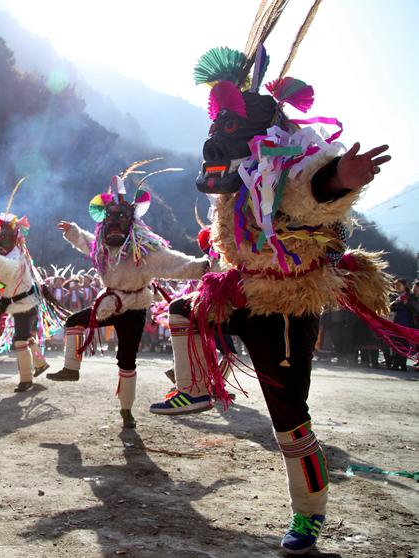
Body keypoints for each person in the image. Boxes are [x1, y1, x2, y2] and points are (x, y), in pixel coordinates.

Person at [146, 17, 415, 552]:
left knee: (288, 417)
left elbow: (315, 189)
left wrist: (342, 178)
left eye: (224, 136)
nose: (213, 152)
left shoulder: (287, 169)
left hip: (287, 303)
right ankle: (195, 387)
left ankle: (309, 515)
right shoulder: (239, 180)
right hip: (242, 287)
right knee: (184, 311)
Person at [47, 162, 210, 428]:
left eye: (121, 219)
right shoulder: (101, 247)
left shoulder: (145, 251)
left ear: (131, 223)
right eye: (110, 218)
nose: (114, 223)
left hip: (134, 309)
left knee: (126, 360)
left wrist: (204, 267)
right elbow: (87, 242)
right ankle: (70, 369)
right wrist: (73, 232)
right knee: (74, 322)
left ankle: (126, 411)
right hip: (109, 304)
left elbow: (175, 263)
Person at [0, 193, 57, 391]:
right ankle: (40, 363)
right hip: (17, 302)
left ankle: (26, 379)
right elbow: (2, 282)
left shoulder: (17, 256)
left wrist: (2, 292)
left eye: (5, 235)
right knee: (26, 337)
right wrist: (1, 295)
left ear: (14, 237)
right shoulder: (4, 253)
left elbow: (5, 271)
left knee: (20, 340)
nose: (0, 239)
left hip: (26, 303)